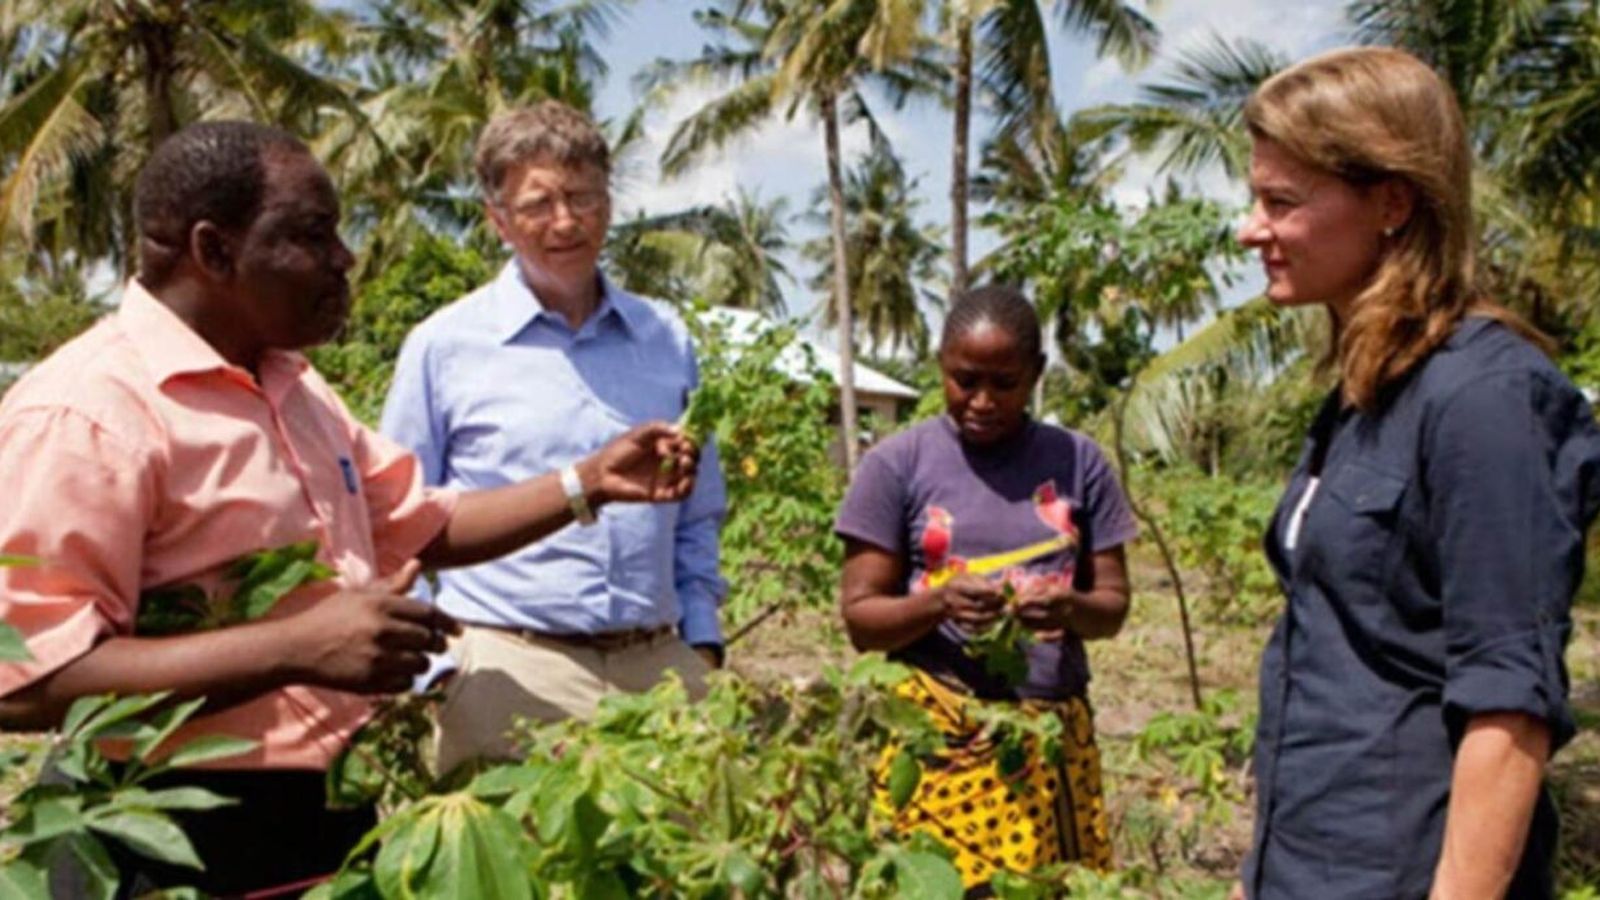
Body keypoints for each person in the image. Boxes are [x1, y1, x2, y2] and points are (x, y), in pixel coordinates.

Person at [0, 121, 699, 896]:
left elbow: (428, 523)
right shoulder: (88, 413)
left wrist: (590, 482)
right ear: (214, 250)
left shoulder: (292, 388)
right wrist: (297, 647)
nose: (344, 257)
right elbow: (25, 680)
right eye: (312, 234)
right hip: (168, 829)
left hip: (324, 807)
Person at [1234, 47, 1600, 900]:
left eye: (1281, 202)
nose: (1252, 229)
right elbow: (1336, 657)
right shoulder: (1368, 393)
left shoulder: (1486, 399)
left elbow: (1508, 707)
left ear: (1391, 203)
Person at [381, 100, 728, 774]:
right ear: (497, 220)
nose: (565, 222)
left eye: (582, 197)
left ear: (610, 203)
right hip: (507, 669)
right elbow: (397, 518)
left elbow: (699, 508)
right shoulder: (444, 346)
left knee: (666, 877)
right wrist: (441, 673)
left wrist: (702, 643)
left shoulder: (667, 340)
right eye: (538, 203)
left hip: (657, 671)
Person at [835, 285, 1138, 894]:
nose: (981, 401)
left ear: (1036, 375)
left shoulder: (1079, 462)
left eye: (1005, 383)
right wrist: (938, 603)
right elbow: (862, 620)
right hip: (937, 738)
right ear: (940, 367)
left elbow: (1112, 606)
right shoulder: (896, 465)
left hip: (1049, 740)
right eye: (963, 379)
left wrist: (1069, 608)